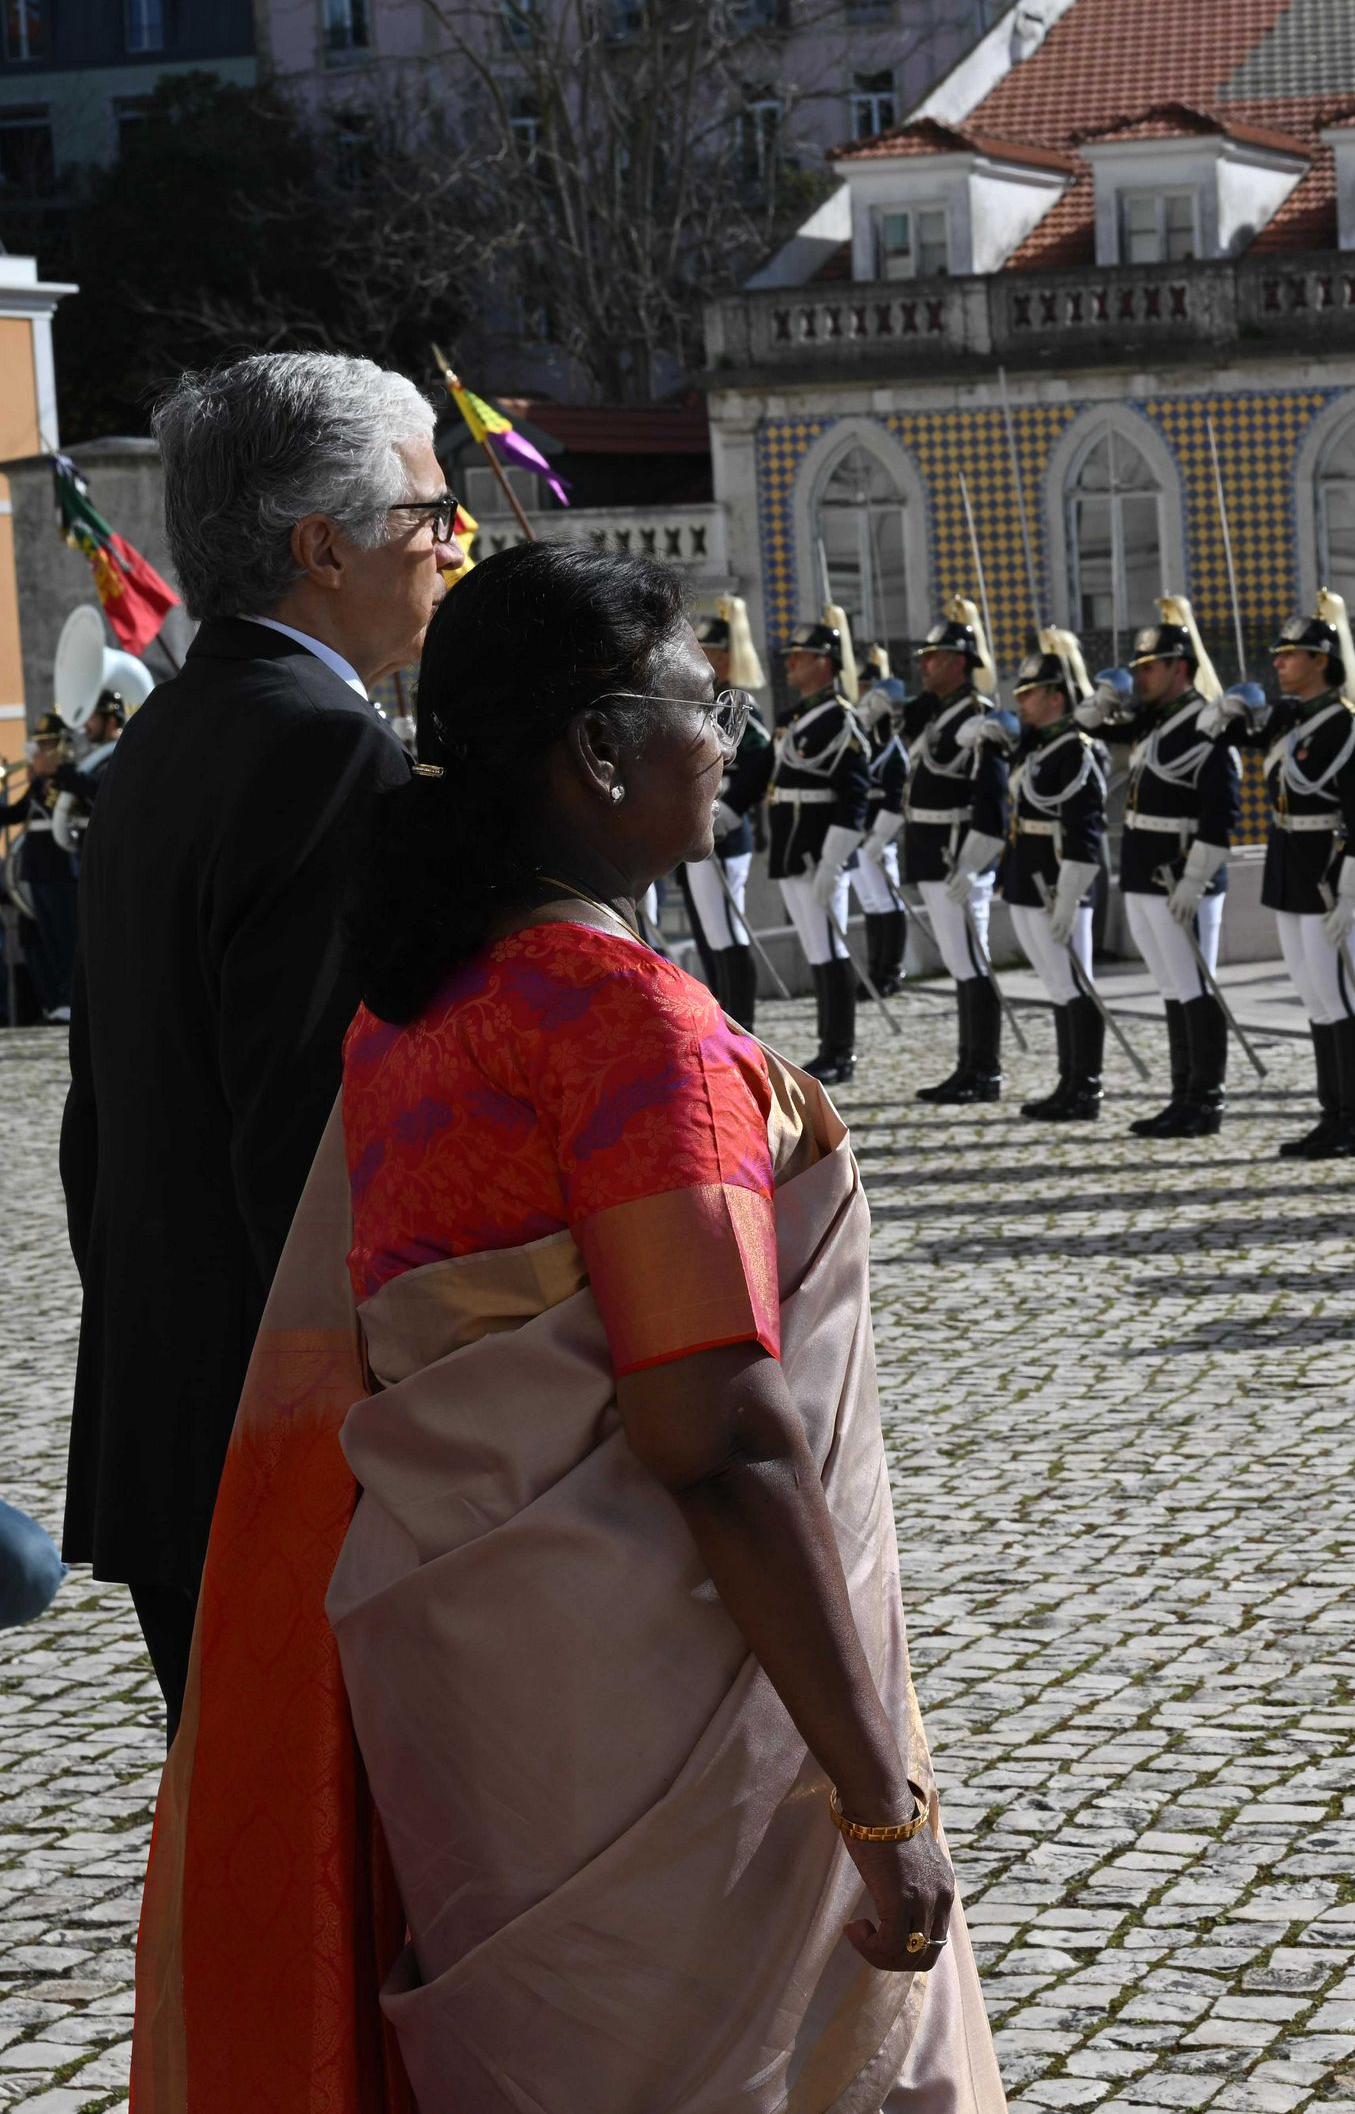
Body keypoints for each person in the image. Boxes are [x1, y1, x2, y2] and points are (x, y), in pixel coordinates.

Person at [133, 542, 1006, 2103]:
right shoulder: (625, 1019)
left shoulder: (414, 1010)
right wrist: (881, 1802)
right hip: (663, 1702)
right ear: (600, 747)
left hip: (472, 1694)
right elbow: (717, 1435)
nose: (728, 736)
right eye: (701, 704)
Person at [62, 354, 447, 1723]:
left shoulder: (172, 731)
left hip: (176, 1405)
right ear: (322, 547)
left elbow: (97, 1126)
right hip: (285, 1440)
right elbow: (311, 1140)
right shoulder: (323, 750)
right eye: (426, 513)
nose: (449, 542)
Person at [1097, 598, 1239, 1138]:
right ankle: (1182, 1095)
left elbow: (1221, 812)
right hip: (1145, 870)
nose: (1140, 677)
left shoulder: (1207, 723)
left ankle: (1206, 1099)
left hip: (1181, 875)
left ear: (1180, 667)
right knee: (1173, 987)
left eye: (1150, 667)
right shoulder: (1155, 722)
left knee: (1196, 987)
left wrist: (1197, 878)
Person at [1260, 593, 1355, 1158]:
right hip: (1291, 866)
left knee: (1340, 998)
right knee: (1314, 999)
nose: (1280, 662)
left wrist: (1353, 895)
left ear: (1321, 661)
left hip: (1329, 877)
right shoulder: (1293, 721)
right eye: (1280, 654)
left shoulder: (1347, 728)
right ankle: (1330, 1114)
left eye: (1292, 655)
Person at [896, 602, 1011, 1104]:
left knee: (971, 959)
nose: (924, 665)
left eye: (934, 657)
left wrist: (973, 861)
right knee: (958, 960)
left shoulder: (980, 718)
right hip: (930, 851)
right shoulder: (936, 712)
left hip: (956, 855)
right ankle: (968, 1064)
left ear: (960, 661)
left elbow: (992, 801)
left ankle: (984, 1070)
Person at [1002, 629, 1111, 1122]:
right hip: (1027, 872)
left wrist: (1071, 893)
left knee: (1074, 983)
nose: (1021, 702)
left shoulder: (1078, 749)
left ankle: (1086, 1086)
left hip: (1058, 880)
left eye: (1031, 694)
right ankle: (1068, 1080)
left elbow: (1085, 828)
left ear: (1057, 697)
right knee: (1056, 984)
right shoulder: (1040, 744)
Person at [765, 606, 874, 1085]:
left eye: (801, 656)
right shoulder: (796, 717)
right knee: (816, 949)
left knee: (831, 949)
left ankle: (840, 1050)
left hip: (818, 852)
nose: (790, 664)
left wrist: (834, 860)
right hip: (792, 848)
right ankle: (827, 1045)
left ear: (824, 663)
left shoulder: (842, 721)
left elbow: (854, 797)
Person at [681, 598, 772, 1028]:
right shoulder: (705, 701)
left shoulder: (737, 705)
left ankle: (742, 1027)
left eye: (711, 650)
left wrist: (734, 809)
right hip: (702, 825)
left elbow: (761, 756)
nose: (702, 656)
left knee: (727, 932)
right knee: (710, 934)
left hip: (727, 831)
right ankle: (723, 1023)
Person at [4, 715, 79, 1020]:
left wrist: (57, 776)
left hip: (62, 869)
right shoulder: (37, 783)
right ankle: (57, 1002)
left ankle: (71, 1000)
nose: (42, 750)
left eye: (48, 743)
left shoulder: (72, 776)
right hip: (35, 870)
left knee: (66, 937)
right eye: (40, 744)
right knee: (46, 939)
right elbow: (15, 814)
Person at [853, 654, 915, 997]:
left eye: (867, 689)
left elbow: (896, 797)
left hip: (879, 836)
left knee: (887, 900)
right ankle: (875, 968)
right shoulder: (865, 741)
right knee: (870, 902)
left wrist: (879, 836)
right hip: (858, 834)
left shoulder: (893, 748)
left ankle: (891, 969)